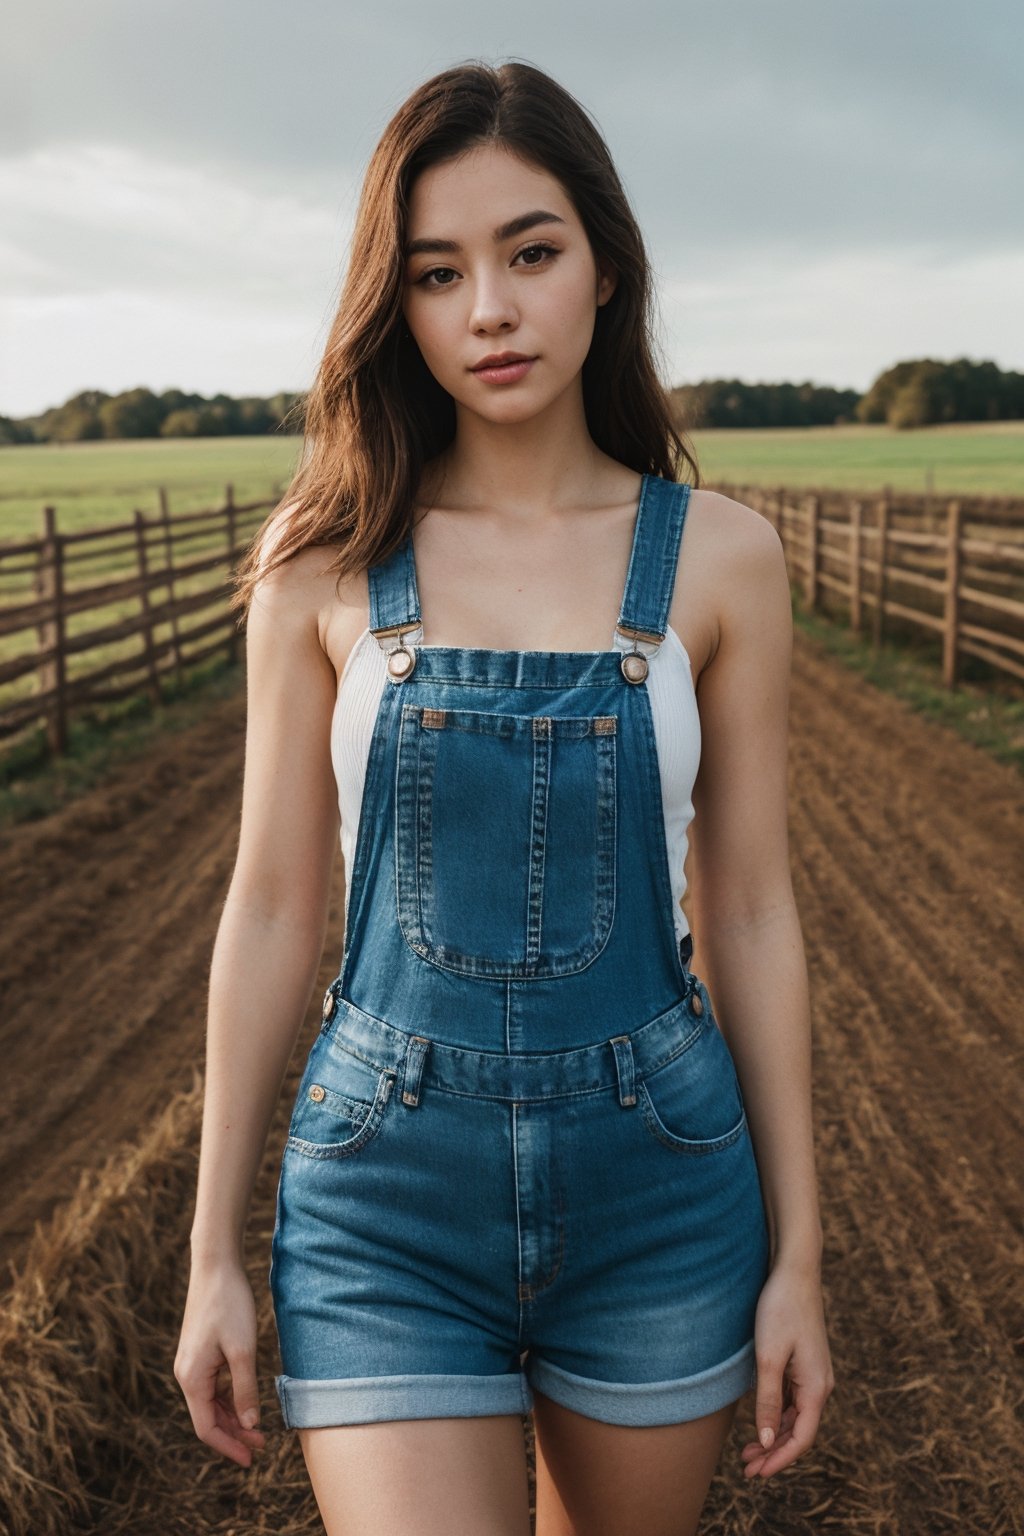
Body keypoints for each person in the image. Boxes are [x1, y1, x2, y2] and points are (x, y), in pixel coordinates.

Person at [174, 57, 834, 1536]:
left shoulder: (720, 557)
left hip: (656, 1184)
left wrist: (800, 1254)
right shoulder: (322, 564)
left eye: (530, 252)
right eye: (436, 271)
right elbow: (275, 903)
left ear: (605, 267)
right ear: (393, 304)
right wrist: (214, 1248)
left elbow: (749, 908)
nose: (489, 308)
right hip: (381, 1202)